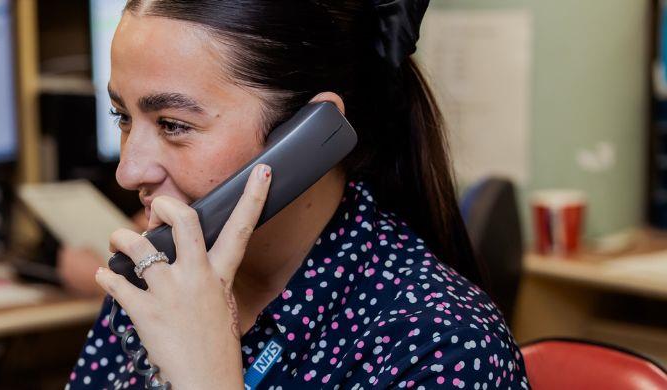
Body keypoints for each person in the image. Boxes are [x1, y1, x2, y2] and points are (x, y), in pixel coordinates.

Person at [66, 0, 530, 389]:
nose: (128, 171)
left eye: (173, 125)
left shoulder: (441, 345)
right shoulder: (161, 278)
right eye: (122, 116)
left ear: (308, 137)